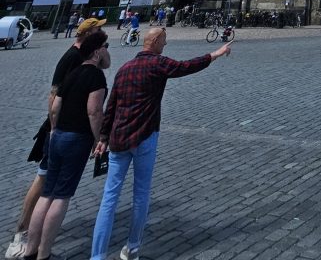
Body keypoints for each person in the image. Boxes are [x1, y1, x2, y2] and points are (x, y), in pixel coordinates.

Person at [89, 26, 232, 260]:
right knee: (141, 194)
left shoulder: (124, 69)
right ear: (155, 41)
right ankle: (132, 248)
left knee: (109, 198)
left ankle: (97, 256)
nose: (165, 44)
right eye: (163, 40)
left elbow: (111, 106)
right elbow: (187, 66)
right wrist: (215, 54)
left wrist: (103, 138)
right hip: (145, 137)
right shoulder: (158, 64)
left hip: (119, 140)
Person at [4, 17, 106, 260]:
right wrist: (59, 129)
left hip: (58, 133)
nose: (105, 44)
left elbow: (58, 102)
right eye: (101, 36)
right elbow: (64, 101)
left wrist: (55, 130)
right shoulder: (76, 61)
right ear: (92, 41)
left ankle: (31, 246)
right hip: (69, 135)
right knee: (52, 189)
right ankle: (27, 239)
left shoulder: (77, 63)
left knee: (47, 189)